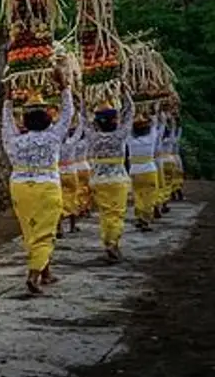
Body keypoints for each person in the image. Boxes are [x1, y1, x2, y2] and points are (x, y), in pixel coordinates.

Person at [2, 82, 74, 295]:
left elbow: (6, 122)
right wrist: (63, 86)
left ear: (24, 120)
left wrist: (7, 99)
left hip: (20, 188)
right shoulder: (53, 137)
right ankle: (34, 274)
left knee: (31, 230)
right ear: (48, 119)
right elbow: (69, 113)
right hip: (47, 187)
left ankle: (46, 272)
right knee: (45, 233)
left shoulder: (14, 140)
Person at [87, 89, 134, 261]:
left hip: (98, 179)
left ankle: (109, 242)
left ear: (97, 123)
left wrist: (85, 101)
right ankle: (112, 242)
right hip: (117, 179)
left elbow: (84, 121)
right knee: (117, 212)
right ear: (115, 121)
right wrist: (123, 91)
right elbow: (130, 112)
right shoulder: (120, 135)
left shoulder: (93, 137)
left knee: (105, 213)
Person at [126, 107, 161, 231]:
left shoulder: (130, 140)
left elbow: (127, 126)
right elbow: (155, 124)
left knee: (138, 195)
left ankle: (140, 217)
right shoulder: (151, 138)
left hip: (135, 171)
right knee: (149, 196)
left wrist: (133, 112)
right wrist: (152, 109)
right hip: (149, 170)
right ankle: (145, 219)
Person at [58, 109, 89, 234]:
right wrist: (81, 118)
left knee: (59, 200)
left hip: (58, 172)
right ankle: (72, 226)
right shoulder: (72, 142)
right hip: (72, 171)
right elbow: (80, 132)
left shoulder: (55, 144)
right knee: (73, 198)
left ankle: (59, 227)